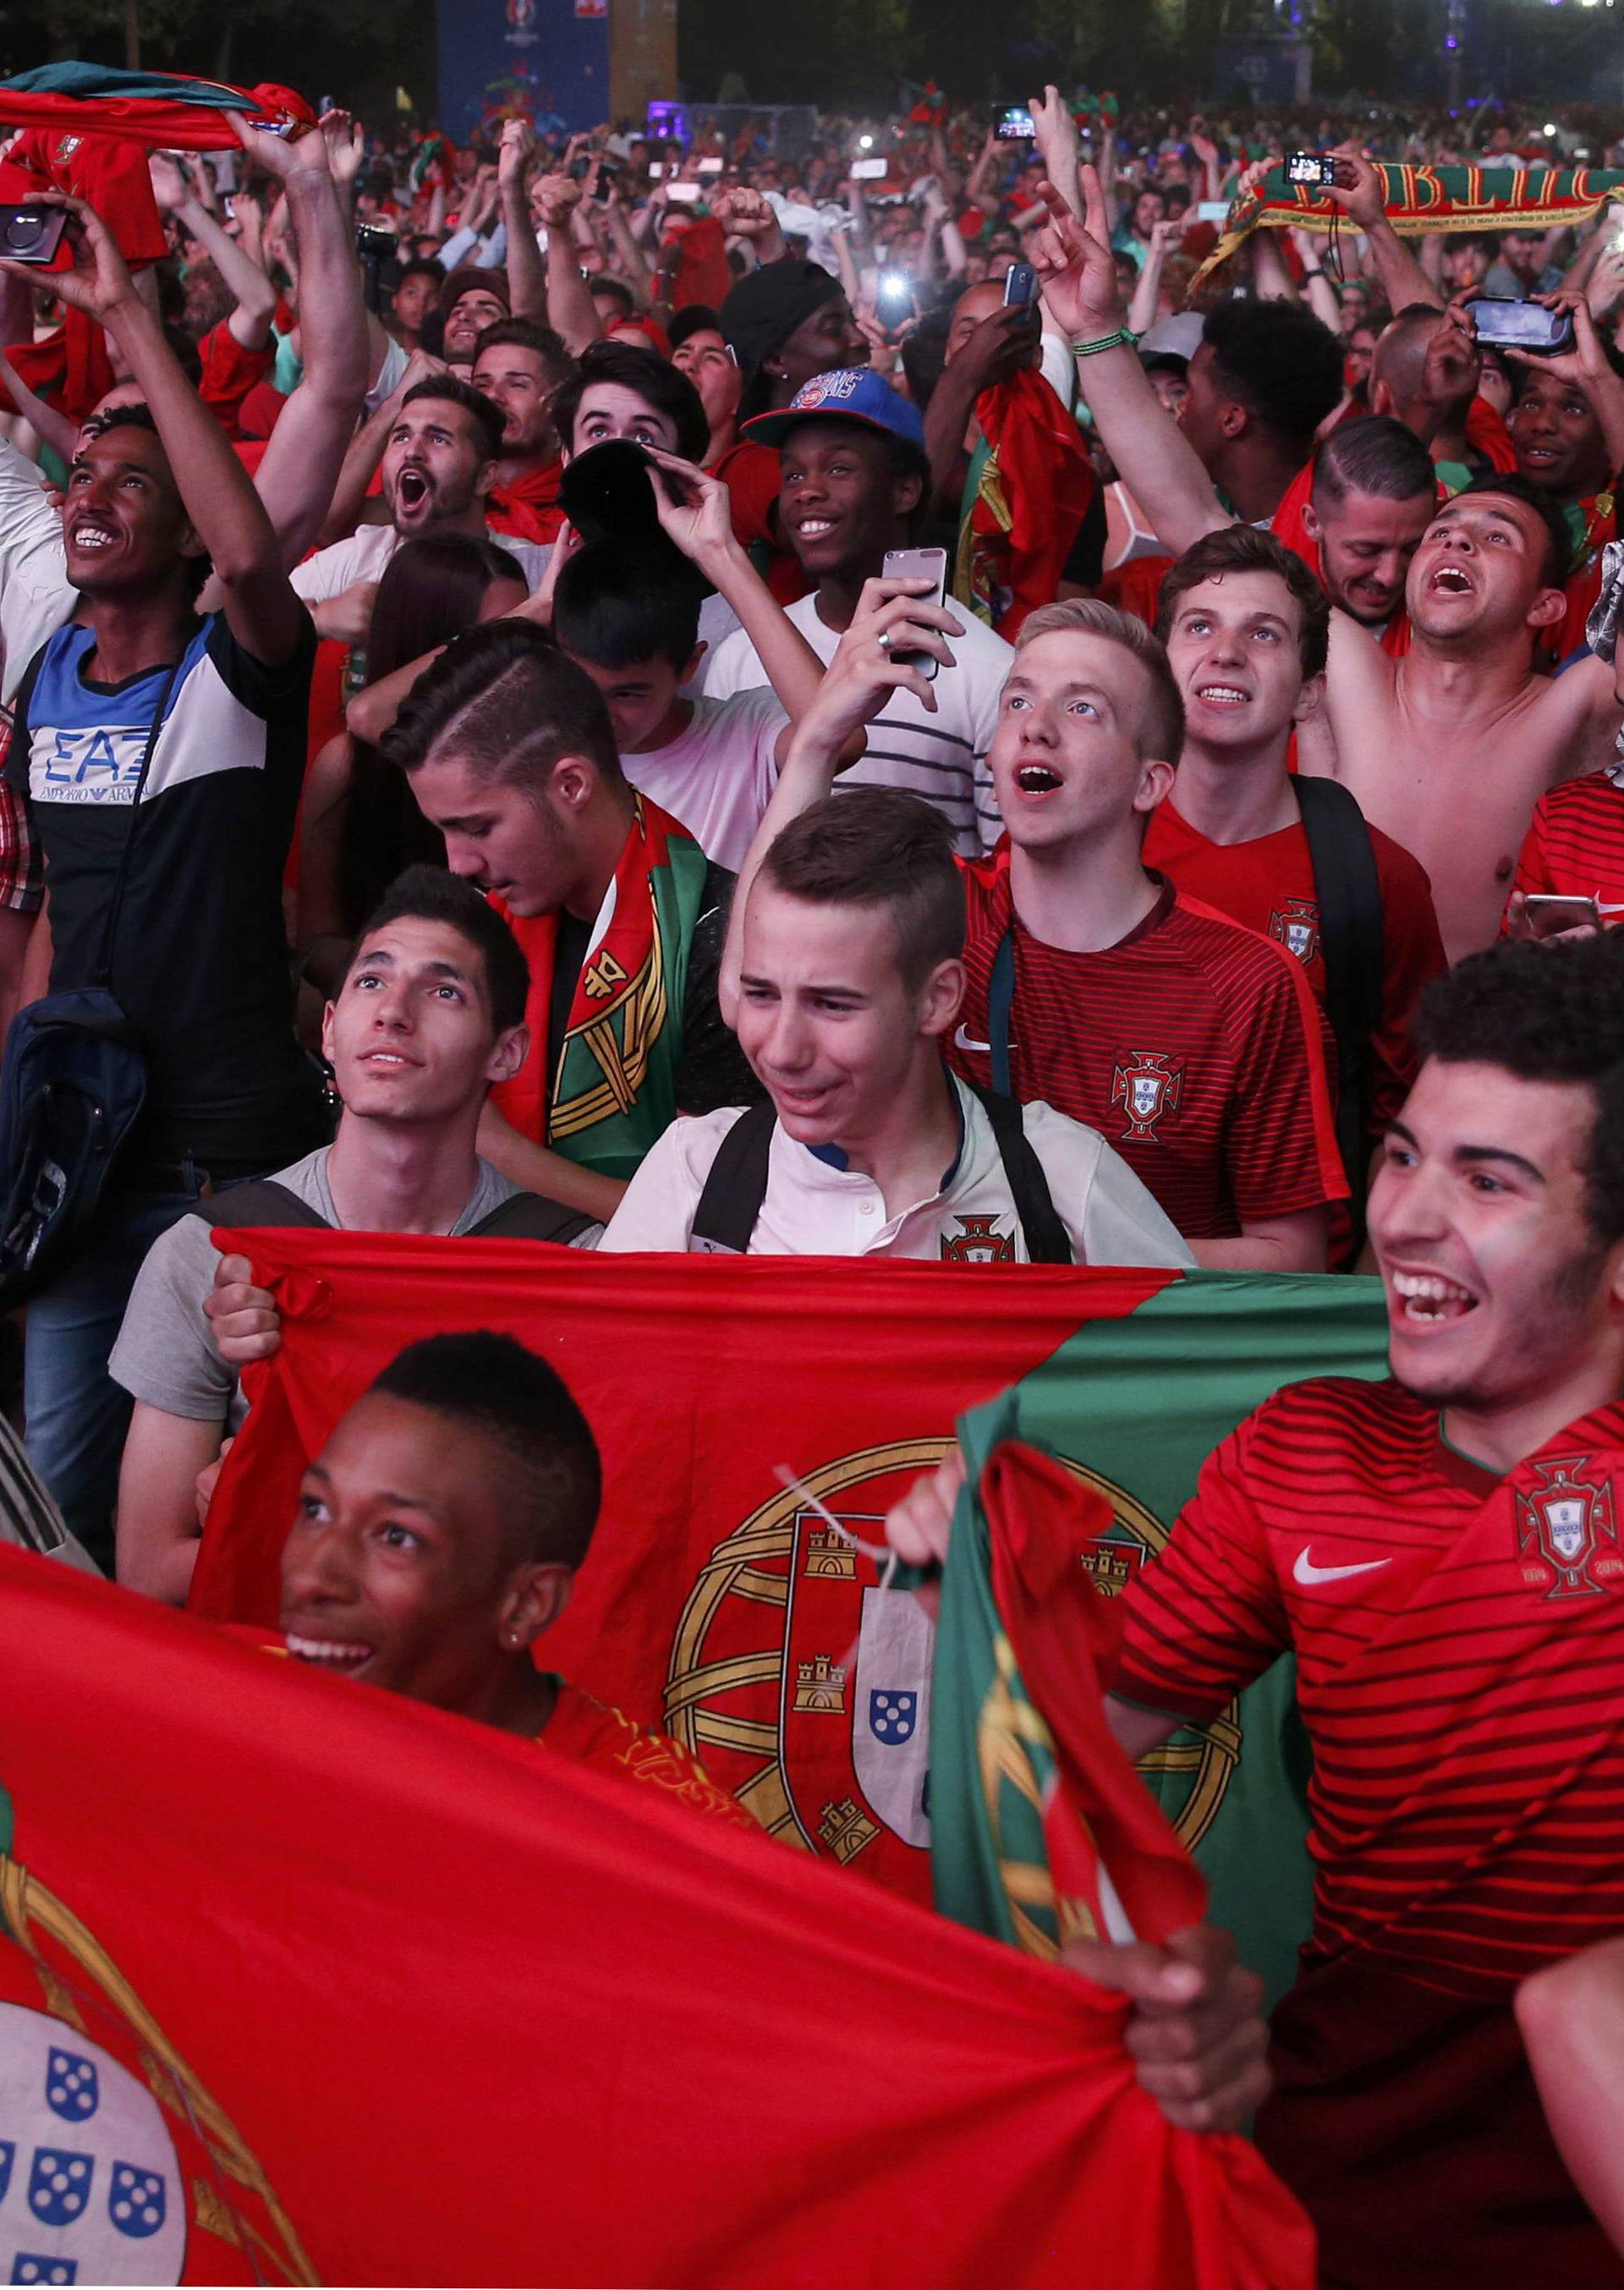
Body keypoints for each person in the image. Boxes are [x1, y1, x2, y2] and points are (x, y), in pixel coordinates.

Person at [888, 931, 1624, 2287]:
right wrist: (981, 1589)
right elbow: (1065, 1749)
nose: (1403, 1216)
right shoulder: (1303, 1456)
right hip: (1322, 2209)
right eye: (1403, 1152)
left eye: (1490, 1178)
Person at [1024, 170, 1624, 961]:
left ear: (1550, 605)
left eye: (1496, 536)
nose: (1457, 541)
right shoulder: (1350, 669)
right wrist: (1094, 329)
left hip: (1477, 1064)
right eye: (1444, 529)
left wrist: (1606, 385)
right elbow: (1193, 516)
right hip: (1329, 1053)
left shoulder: (1573, 706)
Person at [2, 193, 327, 1568]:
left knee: (221, 1507)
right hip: (81, 1159)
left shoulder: (237, 678)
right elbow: (41, 923)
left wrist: (127, 314)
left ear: (186, 530)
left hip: (224, 1154)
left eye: (134, 483)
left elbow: (254, 555)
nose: (93, 497)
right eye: (81, 477)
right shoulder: (38, 679)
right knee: (69, 1500)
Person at [722, 579, 1346, 1271]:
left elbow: (1292, 1260)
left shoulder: (1248, 984)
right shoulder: (936, 910)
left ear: (1151, 783)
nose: (1036, 724)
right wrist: (820, 738)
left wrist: (1060, 1251)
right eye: (1017, 699)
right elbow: (748, 984)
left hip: (1125, 1351)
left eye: (1083, 708)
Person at [112, 865, 599, 1606]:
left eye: (444, 991)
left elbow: (601, 1573)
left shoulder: (570, 1265)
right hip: (275, 1687)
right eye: (372, 982)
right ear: (331, 1028)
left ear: (506, 1052)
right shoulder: (210, 1251)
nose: (394, 1012)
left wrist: (284, 1521)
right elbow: (148, 1575)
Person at [601, 783, 1191, 1266]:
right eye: (760, 994)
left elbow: (1190, 1386)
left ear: (937, 1000)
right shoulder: (694, 1174)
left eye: (832, 1004)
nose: (781, 1050)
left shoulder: (1062, 1180)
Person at [275, 1329, 753, 1823]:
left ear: (527, 1604)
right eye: (316, 1508)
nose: (311, 1576)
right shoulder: (238, 1696)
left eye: (397, 1537)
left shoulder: (665, 1842)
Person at [380, 620, 758, 1224]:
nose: (459, 863)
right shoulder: (479, 927)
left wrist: (496, 1147)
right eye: (444, 831)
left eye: (477, 827)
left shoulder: (722, 945)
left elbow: (718, 1218)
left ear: (572, 784)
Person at [1145, 525, 1446, 1216]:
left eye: (1264, 635)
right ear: (1157, 667)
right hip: (1107, 1282)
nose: (1225, 654)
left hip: (1303, 1294)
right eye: (1199, 627)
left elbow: (1417, 1112)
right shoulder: (1083, 844)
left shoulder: (1376, 878)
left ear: (1310, 695)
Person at [702, 367, 1016, 856]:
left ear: (903, 492)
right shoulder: (740, 657)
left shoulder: (989, 669)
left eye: (838, 468)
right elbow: (724, 846)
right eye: (793, 474)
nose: (806, 490)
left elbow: (1008, 870)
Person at [298, 535, 531, 992]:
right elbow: (315, 944)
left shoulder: (535, 749)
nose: (512, 661)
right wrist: (406, 990)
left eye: (527, 634)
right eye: (493, 638)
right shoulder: (348, 767)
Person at [291, 373, 550, 630]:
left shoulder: (527, 573)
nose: (412, 452)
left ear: (484, 478)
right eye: (401, 436)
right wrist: (318, 617)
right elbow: (258, 619)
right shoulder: (357, 558)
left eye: (438, 439)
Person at [469, 317, 574, 546]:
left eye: (517, 384)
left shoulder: (586, 510)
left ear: (557, 405)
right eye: (482, 385)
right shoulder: (444, 499)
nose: (493, 395)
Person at [669, 304, 743, 468]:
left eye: (712, 358)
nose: (689, 364)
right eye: (682, 354)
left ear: (741, 396)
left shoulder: (757, 479)